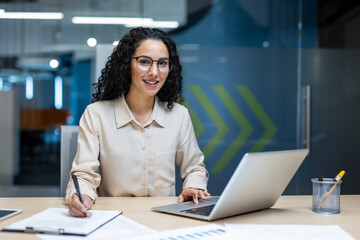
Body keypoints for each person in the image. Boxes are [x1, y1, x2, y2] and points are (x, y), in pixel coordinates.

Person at [66, 27, 210, 217]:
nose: (154, 72)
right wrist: (81, 196)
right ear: (126, 65)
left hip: (165, 219)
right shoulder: (96, 115)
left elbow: (194, 167)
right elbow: (84, 174)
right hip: (113, 218)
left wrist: (193, 187)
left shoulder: (178, 115)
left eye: (162, 63)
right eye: (144, 62)